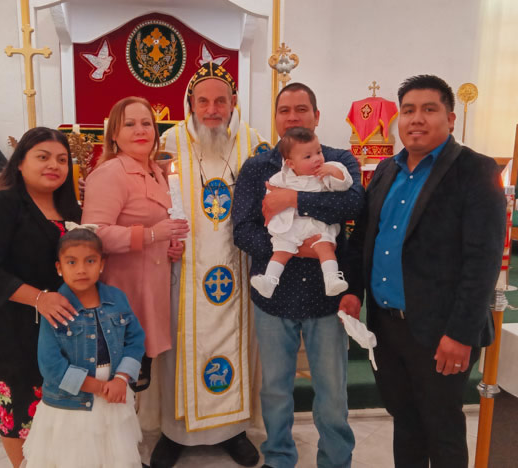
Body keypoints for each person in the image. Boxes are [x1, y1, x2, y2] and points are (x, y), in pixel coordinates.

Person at [340, 74, 506, 468]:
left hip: (441, 330)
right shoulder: (386, 170)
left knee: (442, 427)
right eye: (408, 110)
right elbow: (363, 238)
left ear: (450, 118)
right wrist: (353, 292)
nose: (417, 119)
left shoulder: (475, 171)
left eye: (429, 109)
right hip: (387, 326)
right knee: (405, 421)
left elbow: (482, 260)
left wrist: (460, 334)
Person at [233, 82, 363, 468]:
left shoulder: (337, 161)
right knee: (275, 390)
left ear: (316, 116)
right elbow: (243, 229)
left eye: (301, 109)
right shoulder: (258, 167)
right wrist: (293, 248)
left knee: (332, 393)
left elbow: (353, 204)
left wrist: (293, 199)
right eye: (285, 110)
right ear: (275, 118)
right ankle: (278, 458)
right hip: (274, 297)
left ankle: (335, 461)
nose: (293, 117)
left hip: (327, 298)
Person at [151, 62, 267, 468]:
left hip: (238, 266)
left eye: (221, 101)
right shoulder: (168, 142)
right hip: (183, 270)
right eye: (203, 101)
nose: (212, 109)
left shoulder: (254, 143)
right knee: (179, 349)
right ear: (191, 104)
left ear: (234, 102)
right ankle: (174, 432)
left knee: (236, 346)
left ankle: (233, 431)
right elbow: (150, 199)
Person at [0, 127, 82, 468]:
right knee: (21, 418)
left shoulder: (72, 211)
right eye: (43, 157)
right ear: (20, 162)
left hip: (66, 332)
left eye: (62, 160)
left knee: (65, 416)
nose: (54, 165)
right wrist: (40, 299)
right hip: (14, 332)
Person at [81, 97, 189, 387]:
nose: (140, 130)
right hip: (122, 295)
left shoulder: (156, 171)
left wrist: (170, 245)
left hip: (150, 296)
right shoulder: (110, 173)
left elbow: (159, 224)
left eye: (146, 124)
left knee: (135, 387)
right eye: (129, 124)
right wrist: (152, 235)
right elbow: (93, 235)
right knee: (117, 386)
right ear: (114, 135)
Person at [23, 227, 146, 468]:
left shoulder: (117, 299)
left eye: (90, 261)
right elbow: (51, 366)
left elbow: (135, 340)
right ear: (59, 268)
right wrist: (99, 387)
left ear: (101, 264)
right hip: (70, 406)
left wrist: (121, 379)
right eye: (72, 262)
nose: (81, 269)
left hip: (113, 397)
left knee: (113, 457)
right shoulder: (56, 308)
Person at [250, 126, 352, 299]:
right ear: (291, 163)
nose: (317, 159)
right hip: (292, 225)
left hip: (318, 225)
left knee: (325, 247)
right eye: (308, 156)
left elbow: (344, 184)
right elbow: (270, 201)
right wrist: (273, 210)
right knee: (281, 251)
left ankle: (332, 279)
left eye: (318, 152)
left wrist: (333, 171)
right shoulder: (281, 178)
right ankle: (269, 282)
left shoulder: (325, 172)